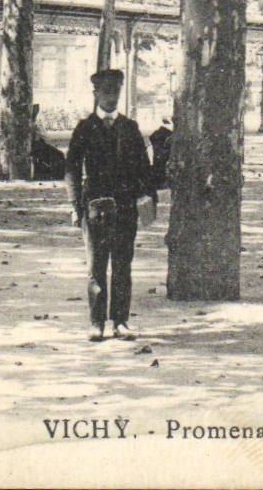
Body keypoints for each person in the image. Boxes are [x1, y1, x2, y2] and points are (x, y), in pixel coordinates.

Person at [66, 69, 155, 342]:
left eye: (115, 91)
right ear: (96, 94)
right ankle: (96, 323)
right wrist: (74, 205)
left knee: (122, 266)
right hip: (94, 207)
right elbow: (72, 169)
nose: (111, 97)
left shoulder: (130, 127)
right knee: (96, 267)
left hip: (125, 208)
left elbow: (144, 167)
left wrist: (145, 196)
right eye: (106, 92)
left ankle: (120, 322)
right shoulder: (85, 128)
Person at [29, 104, 65, 180]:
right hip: (36, 147)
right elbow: (46, 139)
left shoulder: (35, 124)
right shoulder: (35, 125)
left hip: (38, 147)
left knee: (57, 155)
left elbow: (45, 138)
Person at [149, 118, 173, 191]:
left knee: (158, 167)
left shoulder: (157, 133)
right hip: (163, 156)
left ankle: (158, 183)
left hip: (157, 156)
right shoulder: (168, 134)